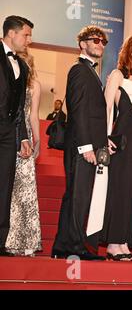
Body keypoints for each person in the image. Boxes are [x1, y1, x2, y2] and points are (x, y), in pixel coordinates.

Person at [51, 26, 108, 260]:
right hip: (81, 146)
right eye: (96, 40)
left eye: (104, 41)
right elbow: (79, 110)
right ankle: (74, 246)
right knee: (79, 196)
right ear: (82, 44)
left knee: (75, 194)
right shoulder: (79, 70)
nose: (101, 44)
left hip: (86, 145)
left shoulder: (89, 72)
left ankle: (63, 245)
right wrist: (86, 146)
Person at [101, 35, 132, 261]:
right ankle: (113, 243)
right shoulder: (117, 75)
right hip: (123, 141)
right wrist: (104, 138)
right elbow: (106, 108)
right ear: (128, 51)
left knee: (131, 192)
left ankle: (123, 242)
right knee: (120, 190)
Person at [0, 15, 33, 257]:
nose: (29, 40)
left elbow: (20, 106)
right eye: (26, 35)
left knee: (4, 186)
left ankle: (0, 242)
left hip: (9, 134)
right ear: (11, 33)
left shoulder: (22, 65)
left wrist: (22, 136)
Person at [5, 48, 41, 256]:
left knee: (25, 192)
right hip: (9, 133)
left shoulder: (34, 85)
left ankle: (26, 241)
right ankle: (8, 239)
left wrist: (37, 141)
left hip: (24, 135)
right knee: (7, 190)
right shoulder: (8, 81)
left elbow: (34, 115)